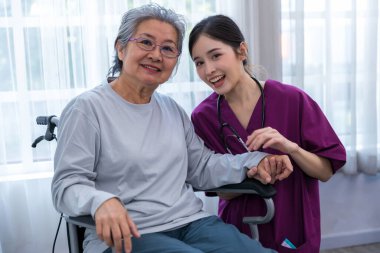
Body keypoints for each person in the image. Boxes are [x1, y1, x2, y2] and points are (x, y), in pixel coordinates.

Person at [51, 5, 293, 253]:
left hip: (191, 224)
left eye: (167, 48)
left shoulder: (172, 110)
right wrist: (101, 201)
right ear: (121, 48)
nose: (156, 55)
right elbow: (66, 186)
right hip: (129, 234)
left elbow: (201, 167)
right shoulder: (87, 109)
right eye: (146, 42)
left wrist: (256, 161)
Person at [189, 15, 347, 253]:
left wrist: (290, 147)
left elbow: (324, 171)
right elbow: (222, 192)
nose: (208, 70)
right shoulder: (204, 116)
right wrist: (251, 172)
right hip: (239, 228)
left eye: (215, 55)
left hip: (292, 221)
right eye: (199, 62)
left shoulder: (293, 100)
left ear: (241, 51)